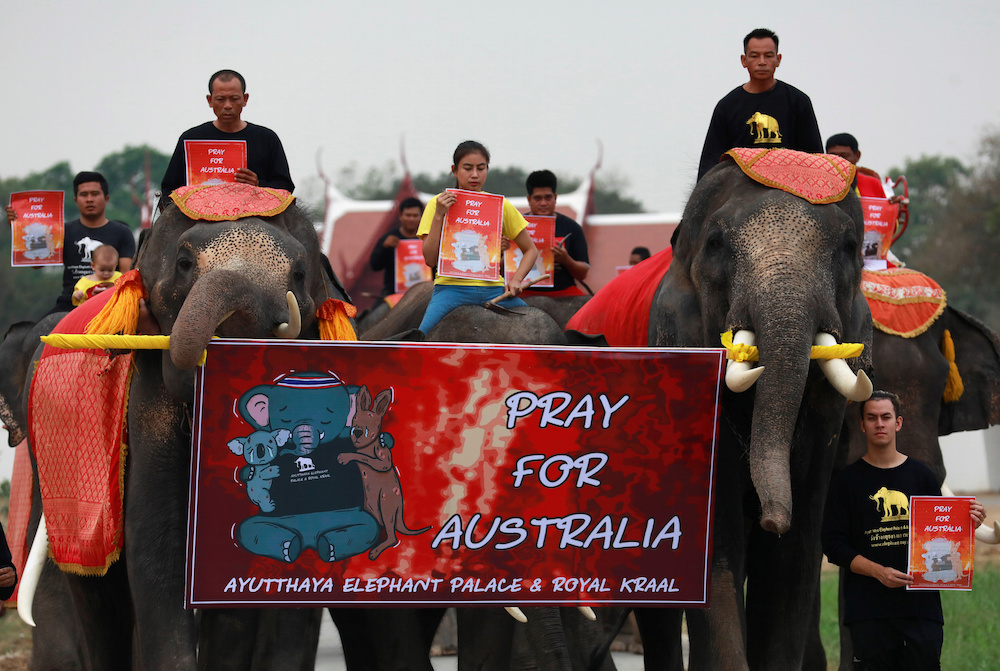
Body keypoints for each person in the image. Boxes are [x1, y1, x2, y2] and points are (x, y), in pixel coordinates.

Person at [823, 390, 986, 670]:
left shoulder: (922, 476)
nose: (879, 424)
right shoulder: (847, 482)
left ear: (898, 423)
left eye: (886, 417)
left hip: (921, 610)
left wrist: (968, 523)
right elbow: (833, 545)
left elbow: (941, 534)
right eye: (871, 418)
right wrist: (879, 572)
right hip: (868, 611)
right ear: (862, 424)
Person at [417, 141, 538, 334]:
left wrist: (516, 279)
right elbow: (430, 259)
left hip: (495, 290)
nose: (475, 175)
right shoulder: (436, 204)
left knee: (538, 331)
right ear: (454, 170)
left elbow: (531, 250)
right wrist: (440, 214)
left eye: (481, 168)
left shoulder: (500, 205)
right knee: (420, 340)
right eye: (468, 168)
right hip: (451, 290)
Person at [698, 28, 823, 180]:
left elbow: (815, 157)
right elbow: (710, 161)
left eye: (768, 56)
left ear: (778, 60)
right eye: (755, 56)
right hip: (740, 186)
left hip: (789, 185)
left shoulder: (798, 101)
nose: (762, 62)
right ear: (744, 60)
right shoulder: (727, 105)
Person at [7, 171, 135, 313]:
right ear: (76, 200)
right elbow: (38, 264)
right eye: (84, 195)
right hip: (70, 302)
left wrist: (108, 292)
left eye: (95, 194)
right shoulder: (62, 231)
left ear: (106, 198)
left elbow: (127, 275)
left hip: (111, 300)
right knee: (42, 333)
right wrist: (18, 226)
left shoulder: (122, 232)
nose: (89, 199)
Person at [160, 69, 294, 196]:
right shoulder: (191, 139)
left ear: (245, 99)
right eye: (220, 99)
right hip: (199, 217)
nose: (228, 105)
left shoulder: (266, 139)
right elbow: (169, 189)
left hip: (255, 216)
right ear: (210, 100)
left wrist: (258, 185)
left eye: (234, 98)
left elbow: (285, 187)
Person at [520, 170, 589, 296]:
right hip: (523, 291)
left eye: (548, 197)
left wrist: (566, 259)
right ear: (529, 199)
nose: (543, 203)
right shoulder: (516, 226)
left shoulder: (572, 228)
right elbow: (498, 271)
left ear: (555, 198)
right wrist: (505, 254)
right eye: (537, 198)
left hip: (563, 292)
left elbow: (583, 273)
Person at [369, 197, 424, 297]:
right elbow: (374, 266)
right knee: (377, 313)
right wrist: (383, 247)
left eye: (415, 215)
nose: (411, 219)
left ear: (421, 217)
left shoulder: (428, 238)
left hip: (424, 294)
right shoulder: (388, 238)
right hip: (392, 295)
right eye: (408, 215)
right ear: (400, 216)